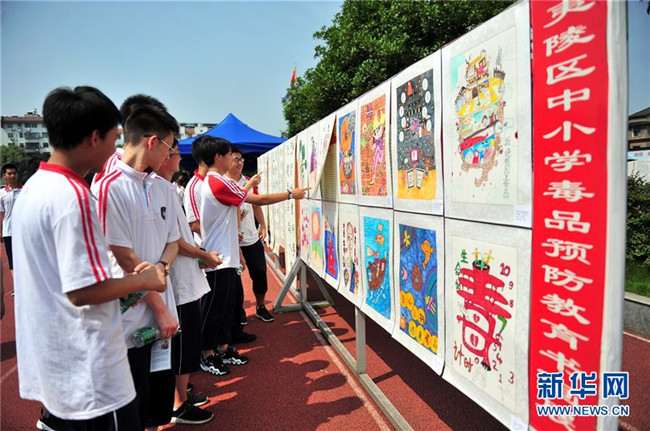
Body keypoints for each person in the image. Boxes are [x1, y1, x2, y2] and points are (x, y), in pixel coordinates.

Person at [13, 86, 167, 430]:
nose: (116, 150)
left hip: (59, 358)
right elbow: (83, 291)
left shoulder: (35, 187)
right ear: (95, 138)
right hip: (91, 366)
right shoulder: (74, 196)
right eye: (114, 139)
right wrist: (144, 280)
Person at [92, 104, 181, 430]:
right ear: (152, 141)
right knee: (130, 409)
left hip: (164, 318)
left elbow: (173, 241)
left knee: (157, 406)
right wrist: (159, 307)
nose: (171, 156)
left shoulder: (161, 187)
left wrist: (162, 269)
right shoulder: (108, 187)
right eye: (169, 148)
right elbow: (122, 257)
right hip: (130, 323)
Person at [198, 136, 308, 376]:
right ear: (219, 157)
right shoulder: (217, 181)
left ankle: (222, 349)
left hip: (225, 256)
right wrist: (291, 194)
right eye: (231, 156)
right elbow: (259, 200)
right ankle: (207, 355)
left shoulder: (217, 181)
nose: (234, 160)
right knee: (214, 310)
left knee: (225, 307)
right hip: (217, 259)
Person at [154, 139, 221, 425]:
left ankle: (179, 396)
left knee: (185, 344)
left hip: (182, 277)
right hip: (177, 281)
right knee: (183, 346)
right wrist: (203, 255)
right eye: (175, 152)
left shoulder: (166, 189)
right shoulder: (162, 190)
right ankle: (178, 404)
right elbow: (177, 240)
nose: (179, 158)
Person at [225, 147, 273, 323]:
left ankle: (260, 306)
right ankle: (238, 311)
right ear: (227, 160)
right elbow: (234, 202)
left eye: (241, 159)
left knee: (259, 272)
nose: (240, 163)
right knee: (234, 279)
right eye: (236, 159)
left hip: (251, 237)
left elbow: (256, 204)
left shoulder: (247, 181)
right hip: (231, 240)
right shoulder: (223, 182)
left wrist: (263, 225)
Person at [0, 163, 21, 280]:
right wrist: (0, 231)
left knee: (24, 259)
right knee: (12, 261)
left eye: (14, 173)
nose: (12, 176)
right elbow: (1, 214)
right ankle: (17, 284)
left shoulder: (26, 191)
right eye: (9, 173)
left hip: (24, 231)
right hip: (8, 231)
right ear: (4, 176)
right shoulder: (1, 194)